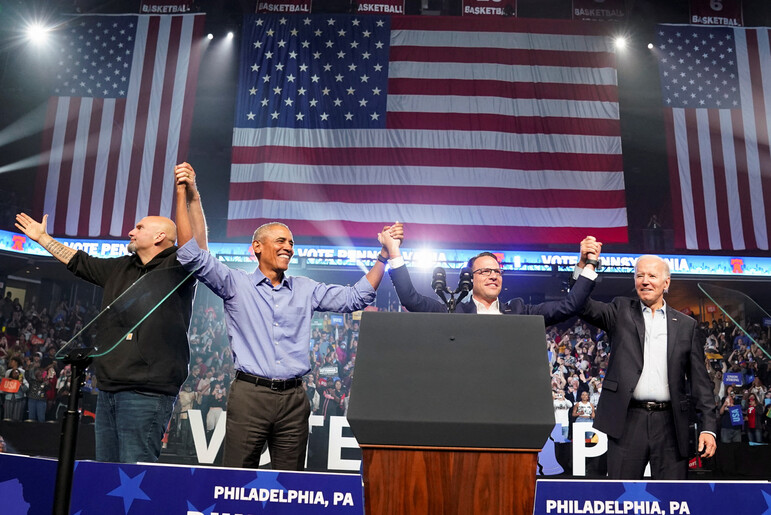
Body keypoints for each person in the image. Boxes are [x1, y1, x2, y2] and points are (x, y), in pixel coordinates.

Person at [175, 193, 400, 470]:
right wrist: (187, 196)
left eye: (291, 242)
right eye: (280, 241)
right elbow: (189, 254)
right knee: (235, 479)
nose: (289, 247)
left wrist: (383, 257)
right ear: (257, 246)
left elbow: (355, 298)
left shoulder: (306, 289)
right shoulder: (235, 284)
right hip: (250, 395)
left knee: (290, 483)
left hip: (294, 400)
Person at [13, 162, 206, 463]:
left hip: (147, 392)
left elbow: (197, 245)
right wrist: (43, 239)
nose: (131, 230)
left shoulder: (178, 267)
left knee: (134, 477)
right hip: (108, 389)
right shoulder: (120, 267)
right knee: (106, 474)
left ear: (159, 238)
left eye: (140, 227)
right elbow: (79, 261)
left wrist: (190, 196)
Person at [575, 255, 717, 479]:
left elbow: (700, 382)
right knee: (623, 499)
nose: (645, 281)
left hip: (671, 425)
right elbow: (579, 304)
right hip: (627, 421)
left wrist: (708, 427)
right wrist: (586, 265)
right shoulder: (620, 310)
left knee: (671, 500)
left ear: (666, 283)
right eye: (639, 275)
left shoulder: (686, 326)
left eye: (652, 275)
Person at [379, 227, 601, 322]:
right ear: (470, 278)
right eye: (485, 271)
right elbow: (411, 299)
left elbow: (569, 306)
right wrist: (394, 251)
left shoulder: (519, 311)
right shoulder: (453, 310)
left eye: (497, 271)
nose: (493, 276)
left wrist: (587, 264)